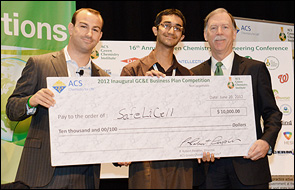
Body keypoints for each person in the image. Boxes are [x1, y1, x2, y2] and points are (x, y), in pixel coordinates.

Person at [6, 8, 109, 189]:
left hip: (85, 175)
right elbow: (12, 109)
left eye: (95, 29)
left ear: (100, 36)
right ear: (71, 28)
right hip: (43, 169)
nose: (89, 33)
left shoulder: (103, 78)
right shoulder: (40, 64)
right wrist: (32, 101)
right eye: (83, 26)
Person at [191, 8, 282, 189]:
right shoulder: (193, 74)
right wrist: (194, 146)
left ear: (234, 33)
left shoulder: (255, 69)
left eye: (225, 27)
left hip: (249, 166)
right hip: (208, 171)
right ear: (205, 35)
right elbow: (189, 120)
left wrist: (266, 142)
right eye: (213, 28)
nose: (219, 33)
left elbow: (272, 114)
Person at [118, 8, 194, 189]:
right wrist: (142, 90)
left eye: (177, 28)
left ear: (182, 37)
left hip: (180, 160)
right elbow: (120, 116)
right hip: (145, 160)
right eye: (166, 25)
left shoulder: (188, 76)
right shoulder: (133, 71)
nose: (171, 31)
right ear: (155, 30)